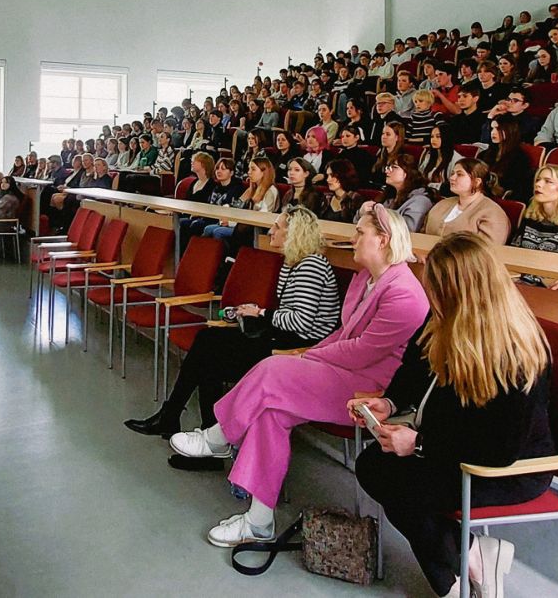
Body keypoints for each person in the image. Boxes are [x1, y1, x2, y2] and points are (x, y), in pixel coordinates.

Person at [172, 203, 429, 548]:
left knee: (273, 368)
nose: (352, 239)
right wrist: (314, 355)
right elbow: (344, 335)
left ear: (383, 240)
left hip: (371, 391)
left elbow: (364, 351)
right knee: (270, 411)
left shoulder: (404, 292)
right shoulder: (366, 278)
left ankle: (219, 438)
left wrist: (309, 354)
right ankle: (259, 522)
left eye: (360, 233)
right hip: (344, 371)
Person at [353, 231, 553, 598]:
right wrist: (392, 403)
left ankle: (456, 576)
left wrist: (419, 444)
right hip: (459, 447)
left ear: (461, 292)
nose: (430, 298)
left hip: (507, 469)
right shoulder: (450, 316)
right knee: (376, 466)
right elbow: (415, 365)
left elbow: (500, 450)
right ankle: (472, 557)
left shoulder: (515, 356)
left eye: (436, 290)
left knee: (395, 482)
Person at [127, 207, 344, 446]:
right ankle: (191, 428)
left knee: (207, 355)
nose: (271, 230)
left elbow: (300, 321)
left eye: (278, 227)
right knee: (206, 342)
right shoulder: (294, 262)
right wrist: (253, 312)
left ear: (295, 234)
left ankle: (193, 431)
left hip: (298, 346)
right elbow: (289, 315)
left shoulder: (311, 266)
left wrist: (260, 312)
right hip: (282, 335)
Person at [423, 159, 511, 244]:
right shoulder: (442, 204)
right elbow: (422, 234)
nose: (452, 178)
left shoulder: (492, 214)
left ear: (477, 182)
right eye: (452, 173)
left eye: (460, 174)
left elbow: (487, 250)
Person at [480, 116, 535, 202]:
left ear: (509, 130)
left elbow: (518, 187)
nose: (493, 132)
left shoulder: (520, 158)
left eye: (498, 129)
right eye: (492, 128)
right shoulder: (484, 154)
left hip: (503, 199)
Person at [382, 154, 435, 234]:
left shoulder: (420, 201)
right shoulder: (391, 199)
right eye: (388, 167)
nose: (387, 171)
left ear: (407, 172)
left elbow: (408, 230)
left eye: (394, 167)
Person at [321, 158, 363, 223]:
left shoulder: (355, 199)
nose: (328, 180)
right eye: (327, 175)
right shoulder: (326, 198)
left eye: (332, 175)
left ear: (343, 176)